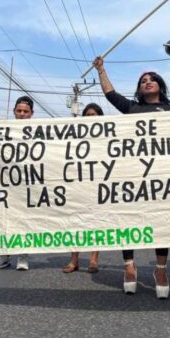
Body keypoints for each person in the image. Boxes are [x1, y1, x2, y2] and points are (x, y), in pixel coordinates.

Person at [93, 56, 170, 298]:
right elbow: (110, 94)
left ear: (160, 85)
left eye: (152, 79)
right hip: (132, 174)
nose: (147, 82)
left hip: (161, 175)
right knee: (128, 220)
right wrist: (101, 69)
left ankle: (160, 270)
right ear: (139, 89)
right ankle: (129, 266)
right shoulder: (132, 108)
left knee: (161, 222)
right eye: (143, 81)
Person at [0, 96, 36, 271]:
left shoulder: (39, 131)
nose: (22, 114)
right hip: (6, 184)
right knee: (4, 220)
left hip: (29, 184)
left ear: (31, 113)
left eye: (25, 111)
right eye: (19, 111)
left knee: (25, 220)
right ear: (14, 112)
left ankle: (23, 255)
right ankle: (4, 255)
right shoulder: (3, 130)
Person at [62, 103, 104, 274]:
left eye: (94, 115)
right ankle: (74, 260)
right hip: (78, 185)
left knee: (96, 222)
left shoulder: (106, 138)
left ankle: (93, 260)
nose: (90, 118)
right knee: (76, 222)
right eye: (87, 115)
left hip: (99, 185)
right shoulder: (75, 137)